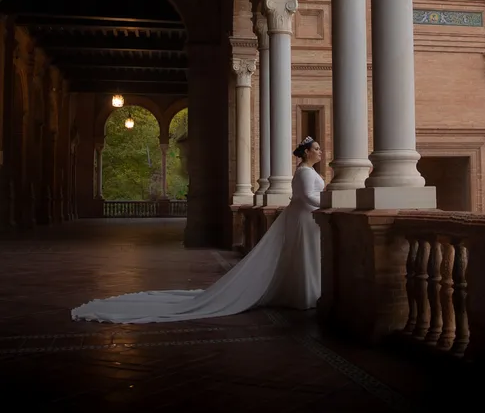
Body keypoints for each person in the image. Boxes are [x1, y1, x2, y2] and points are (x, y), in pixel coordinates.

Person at [71, 138, 324, 324]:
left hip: (303, 217)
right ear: (306, 152)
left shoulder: (307, 171)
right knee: (301, 254)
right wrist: (328, 202)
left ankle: (303, 292)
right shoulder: (303, 173)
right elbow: (307, 197)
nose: (320, 151)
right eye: (316, 149)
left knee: (302, 256)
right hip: (302, 217)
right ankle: (302, 294)